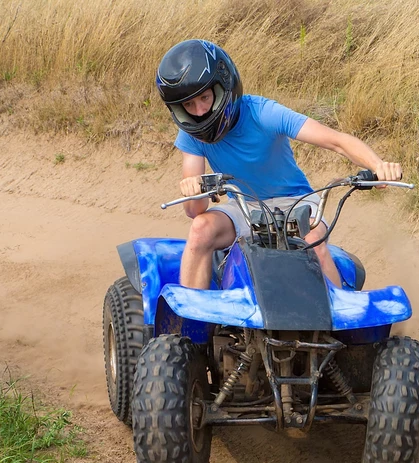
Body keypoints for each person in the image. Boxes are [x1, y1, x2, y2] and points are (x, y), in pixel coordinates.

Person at [155, 39, 403, 290]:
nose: (199, 111)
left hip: (295, 200)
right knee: (200, 230)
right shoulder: (191, 134)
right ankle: (192, 325)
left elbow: (336, 141)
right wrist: (192, 190)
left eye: (205, 98)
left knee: (313, 244)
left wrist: (378, 165)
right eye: (189, 105)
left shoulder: (263, 113)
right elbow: (195, 210)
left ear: (223, 85)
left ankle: (341, 323)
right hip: (243, 205)